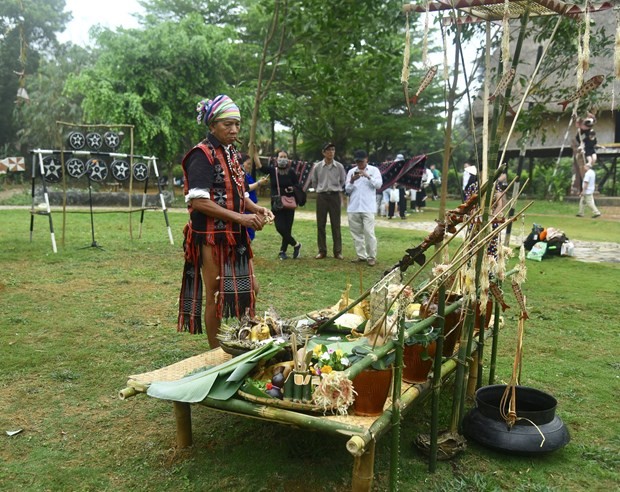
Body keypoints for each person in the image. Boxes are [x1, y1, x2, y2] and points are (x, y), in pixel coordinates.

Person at [177, 95, 274, 349]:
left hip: (235, 234)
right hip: (211, 236)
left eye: (237, 125)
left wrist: (256, 208)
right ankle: (215, 354)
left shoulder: (231, 153)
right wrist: (241, 217)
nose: (234, 130)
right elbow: (198, 201)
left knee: (250, 288)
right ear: (212, 126)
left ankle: (245, 342)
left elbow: (238, 192)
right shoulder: (202, 155)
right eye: (227, 125)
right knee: (215, 295)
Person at [258, 150, 303, 260]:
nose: (283, 158)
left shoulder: (291, 172)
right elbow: (260, 167)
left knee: (287, 228)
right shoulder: (273, 171)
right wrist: (254, 153)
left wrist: (292, 188)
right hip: (277, 203)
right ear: (277, 159)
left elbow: (298, 185)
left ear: (288, 159)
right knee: (279, 227)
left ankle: (283, 251)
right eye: (281, 157)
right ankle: (296, 244)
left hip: (289, 202)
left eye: (285, 156)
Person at [345, 150, 383, 266]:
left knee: (369, 233)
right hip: (354, 207)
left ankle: (371, 257)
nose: (359, 164)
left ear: (367, 159)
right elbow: (347, 190)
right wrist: (352, 181)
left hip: (368, 207)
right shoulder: (351, 171)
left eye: (361, 161)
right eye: (357, 161)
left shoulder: (374, 170)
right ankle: (361, 256)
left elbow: (378, 185)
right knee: (356, 234)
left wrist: (368, 176)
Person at [309, 143, 347, 259]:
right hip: (322, 196)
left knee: (336, 224)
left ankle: (337, 251)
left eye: (333, 150)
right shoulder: (318, 167)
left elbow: (342, 181)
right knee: (321, 224)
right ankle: (322, 251)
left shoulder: (339, 166)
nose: (331, 152)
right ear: (323, 152)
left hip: (335, 196)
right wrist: (321, 189)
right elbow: (314, 182)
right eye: (328, 150)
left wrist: (334, 189)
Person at [242, 154, 269, 241]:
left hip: (252, 205)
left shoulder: (248, 175)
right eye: (248, 164)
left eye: (251, 164)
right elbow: (246, 188)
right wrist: (259, 183)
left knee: (251, 231)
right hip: (245, 207)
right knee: (247, 232)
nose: (250, 166)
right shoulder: (241, 176)